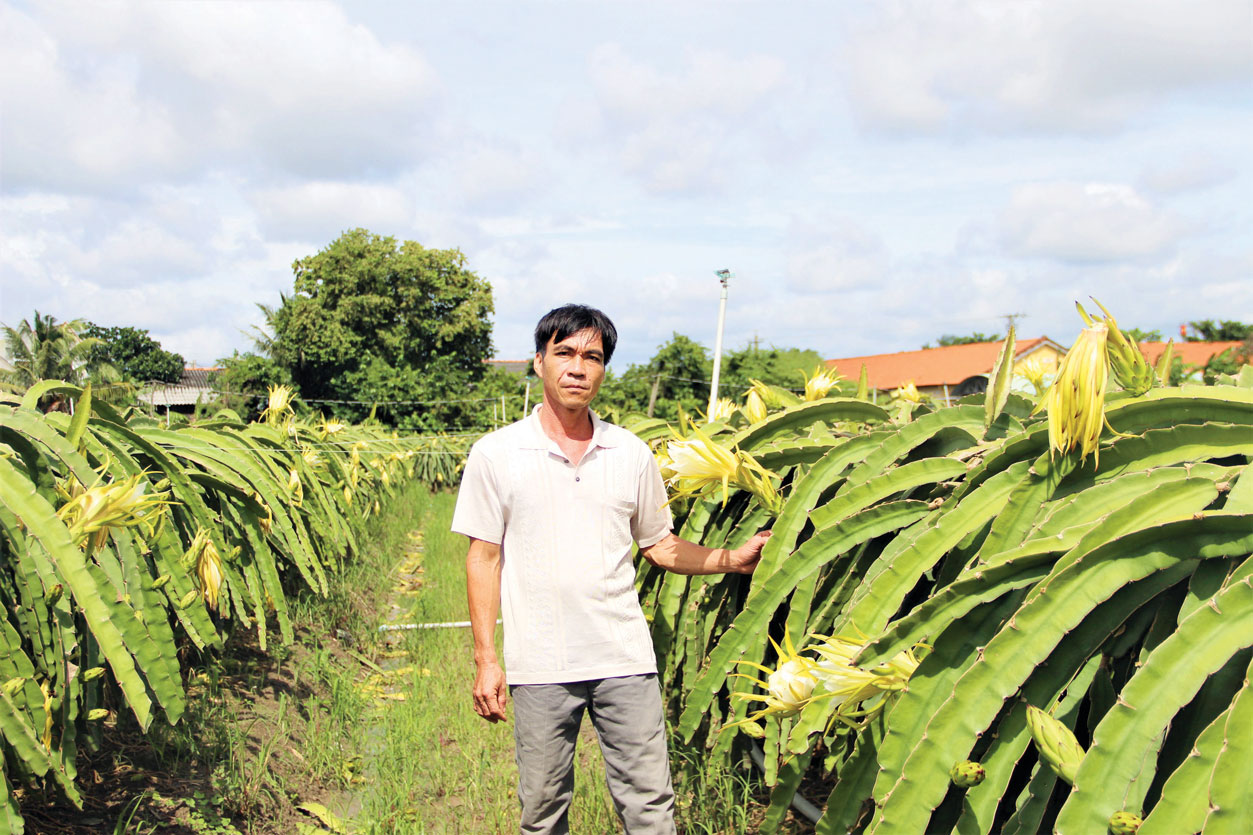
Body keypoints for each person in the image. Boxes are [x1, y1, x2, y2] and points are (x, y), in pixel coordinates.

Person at [451, 304, 771, 834]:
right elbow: (483, 557)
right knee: (543, 810)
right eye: (565, 353)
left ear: (604, 370)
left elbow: (660, 546)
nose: (578, 367)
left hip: (624, 657)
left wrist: (730, 560)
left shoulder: (631, 453)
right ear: (539, 362)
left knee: (649, 804)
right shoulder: (496, 455)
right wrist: (486, 659)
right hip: (540, 663)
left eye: (592, 357)